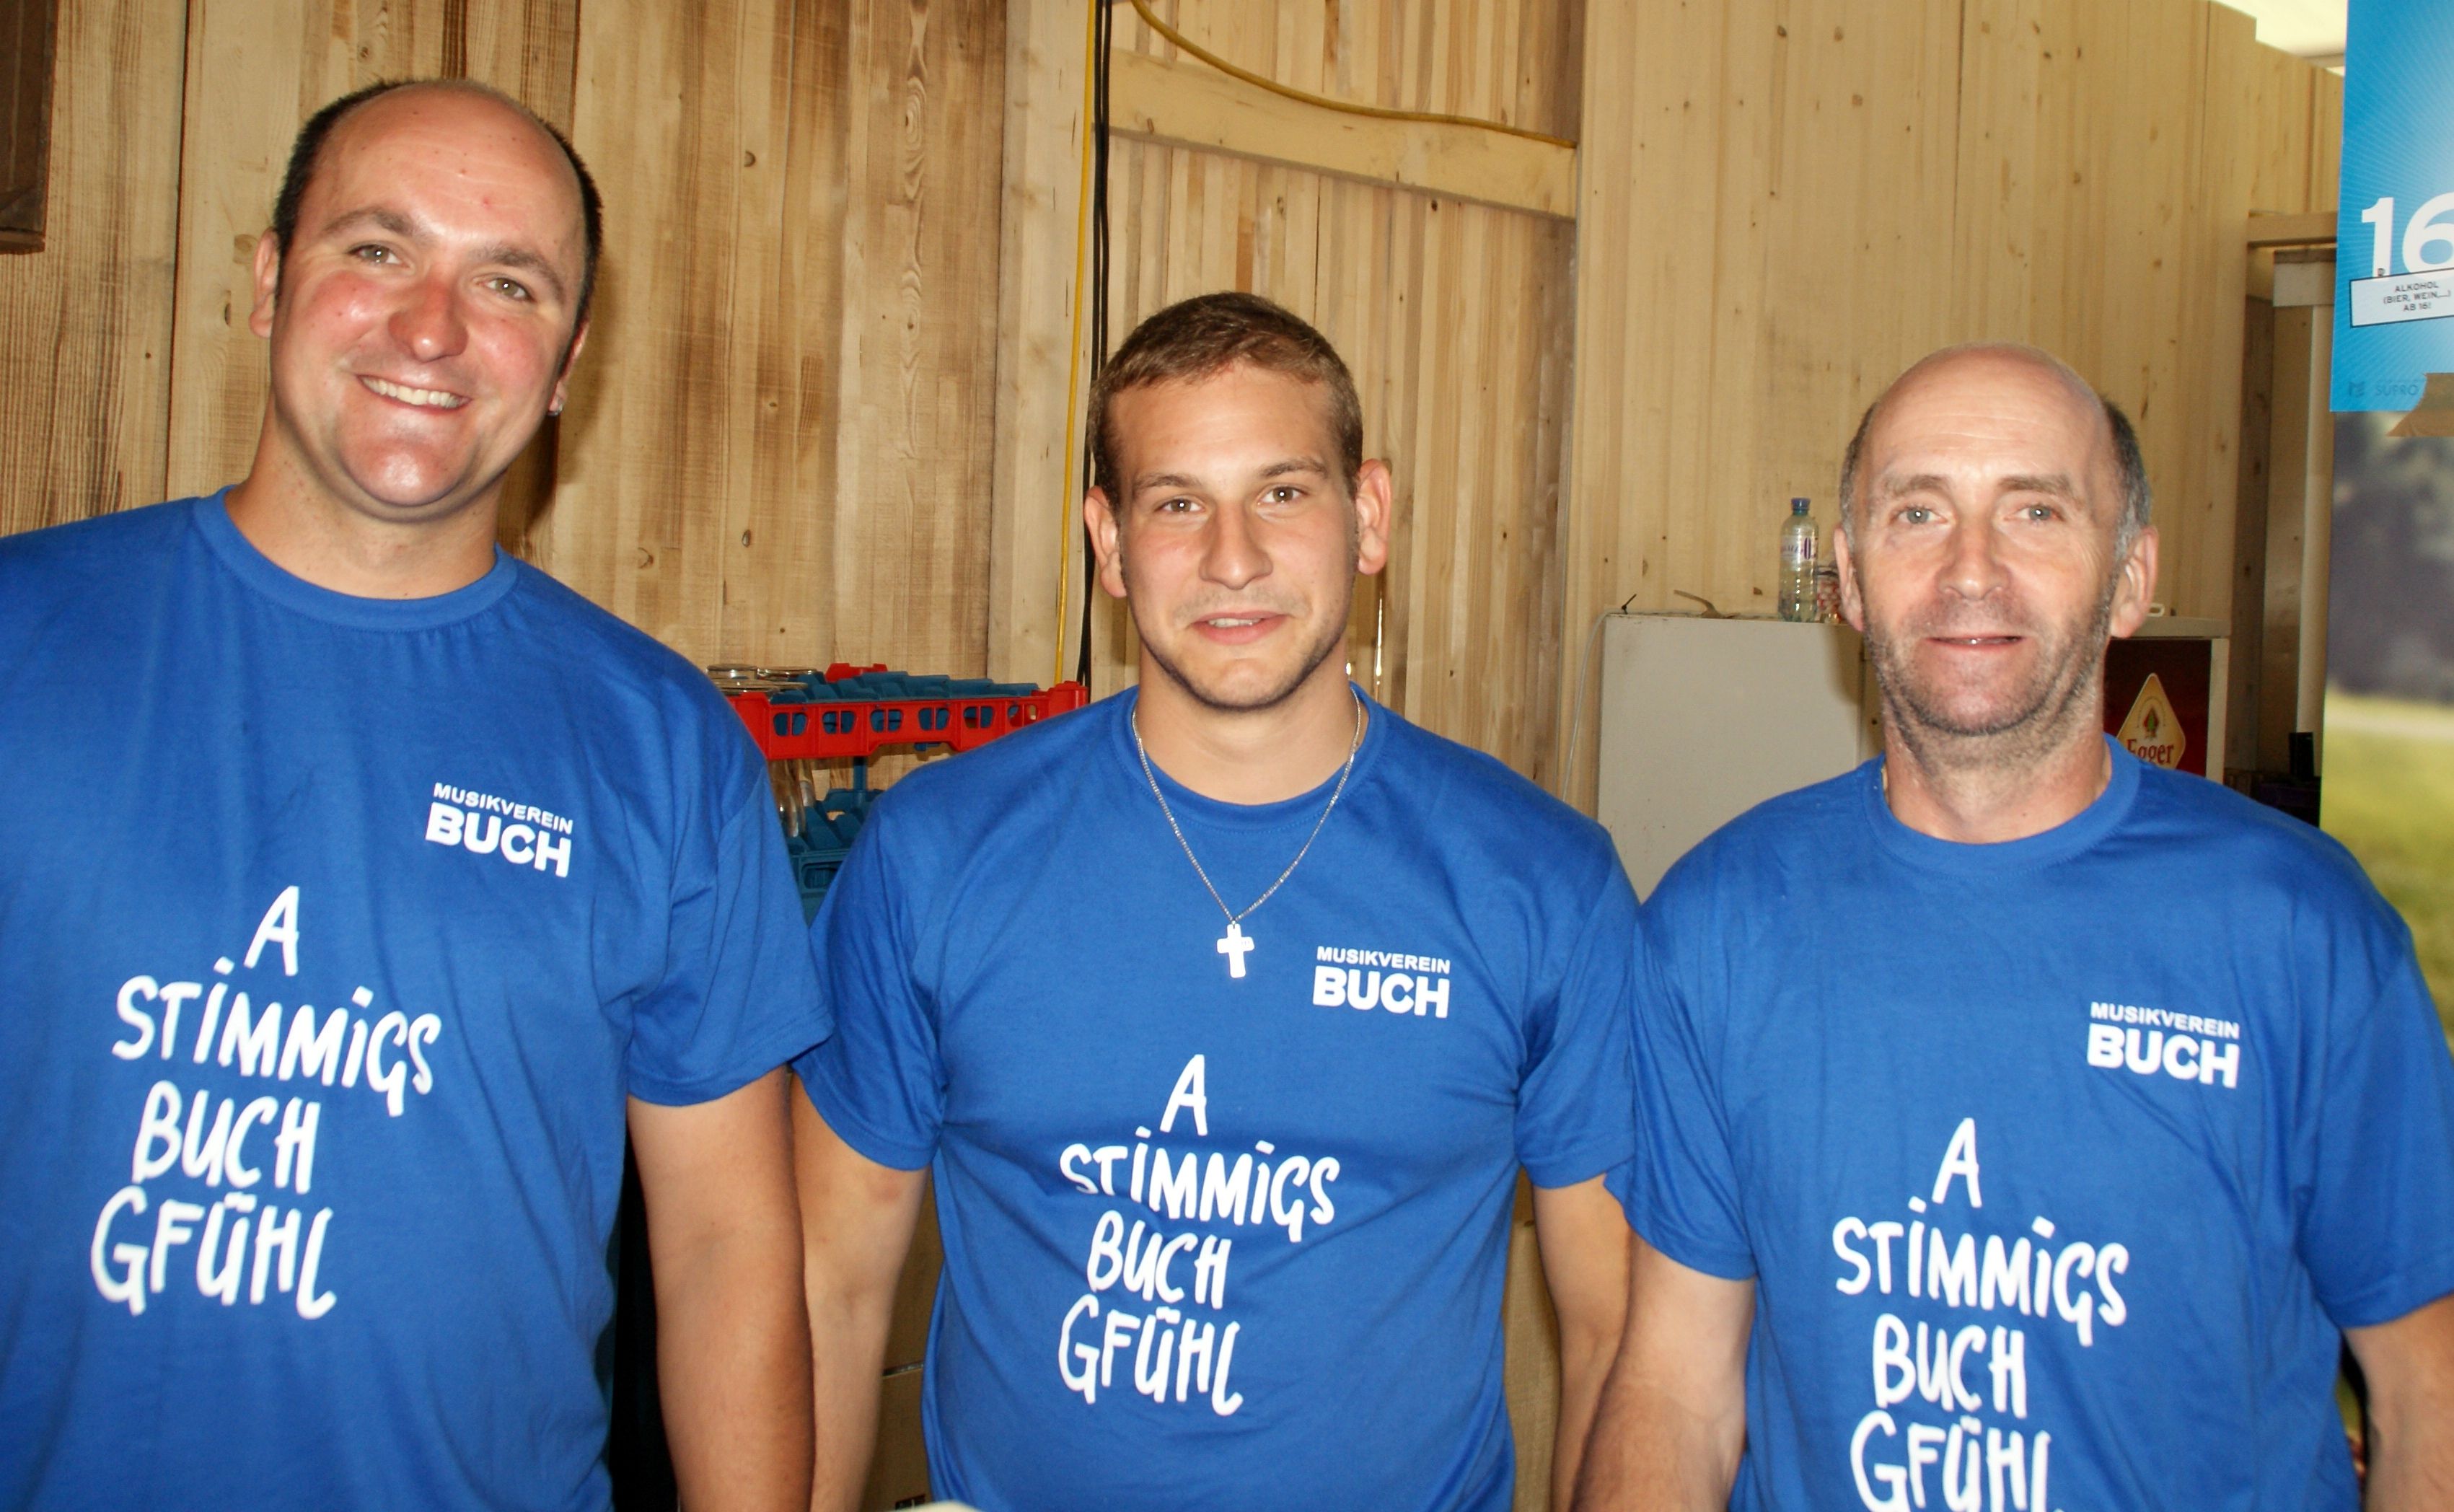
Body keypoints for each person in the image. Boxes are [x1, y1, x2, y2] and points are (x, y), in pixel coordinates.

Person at [0, 80, 821, 1509]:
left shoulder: (662, 744)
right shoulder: (23, 642)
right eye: (378, 249)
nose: (432, 327)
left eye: (507, 283)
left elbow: (724, 1247)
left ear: (565, 362)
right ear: (271, 281)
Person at [794, 291, 1637, 1511]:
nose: (1231, 558)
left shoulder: (1539, 883)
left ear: (1368, 516)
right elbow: (825, 1288)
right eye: (1176, 503)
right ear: (1108, 542)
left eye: (1282, 492)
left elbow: (1614, 1339)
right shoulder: (936, 853)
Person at [1575, 343, 2454, 1511]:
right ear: (1848, 577)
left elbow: (2425, 1389)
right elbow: (1676, 1391)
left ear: (2129, 579)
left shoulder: (2300, 930)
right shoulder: (1718, 923)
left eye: (2034, 510)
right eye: (1917, 512)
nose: (1970, 568)